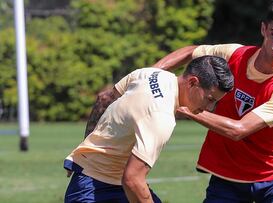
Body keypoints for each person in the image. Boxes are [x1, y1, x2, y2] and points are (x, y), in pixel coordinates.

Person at [153, 0, 273, 202]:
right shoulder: (235, 53)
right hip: (228, 177)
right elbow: (190, 52)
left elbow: (238, 130)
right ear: (263, 29)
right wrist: (148, 74)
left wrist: (184, 107)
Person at [63, 55, 234, 203]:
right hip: (95, 188)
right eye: (210, 99)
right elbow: (133, 179)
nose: (210, 108)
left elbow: (104, 98)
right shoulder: (161, 116)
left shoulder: (152, 74)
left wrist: (86, 147)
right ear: (192, 82)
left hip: (107, 180)